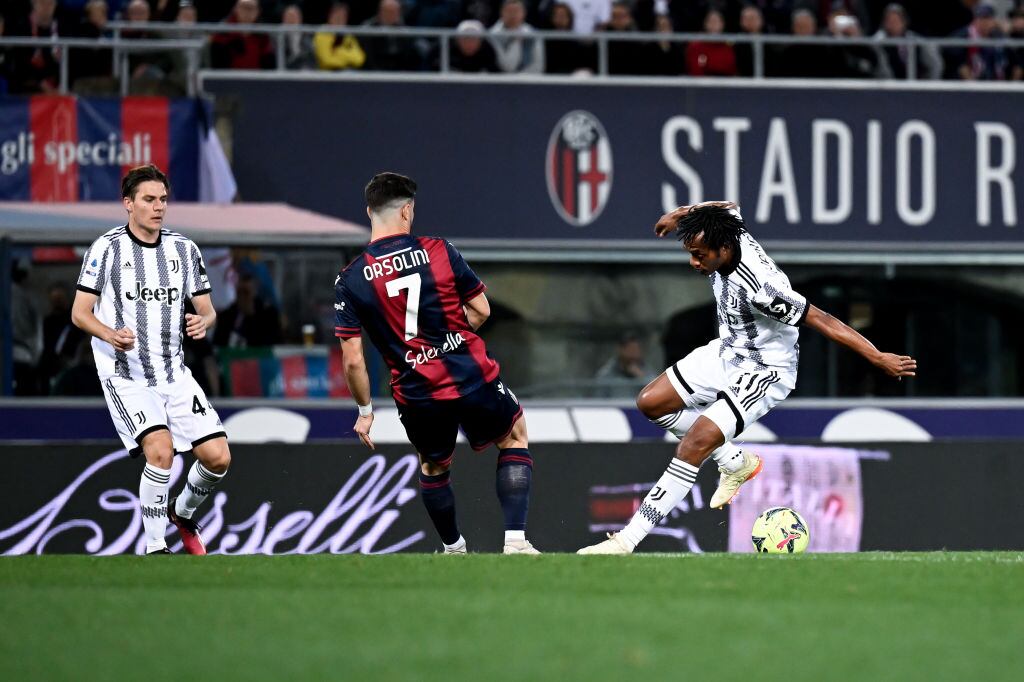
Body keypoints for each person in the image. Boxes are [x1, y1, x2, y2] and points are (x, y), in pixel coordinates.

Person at [579, 202, 917, 554]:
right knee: (650, 402)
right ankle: (733, 461)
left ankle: (625, 541)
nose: (695, 263)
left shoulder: (763, 290)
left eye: (699, 255)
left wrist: (877, 356)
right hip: (727, 350)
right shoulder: (727, 228)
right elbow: (726, 206)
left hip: (764, 369)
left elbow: (823, 320)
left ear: (723, 249)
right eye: (691, 254)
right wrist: (679, 215)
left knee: (694, 443)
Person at [336, 173, 539, 555]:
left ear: (369, 211)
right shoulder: (439, 250)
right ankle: (515, 542)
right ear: (408, 209)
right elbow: (481, 310)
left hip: (417, 393)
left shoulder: (350, 279)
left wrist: (365, 410)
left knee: (433, 466)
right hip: (471, 374)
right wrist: (449, 340)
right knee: (513, 437)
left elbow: (352, 360)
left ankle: (453, 548)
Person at [71, 164, 232, 555]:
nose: (158, 207)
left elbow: (208, 310)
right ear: (128, 203)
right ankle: (156, 546)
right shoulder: (106, 249)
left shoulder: (184, 249)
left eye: (162, 199)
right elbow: (79, 312)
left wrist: (203, 322)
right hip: (127, 376)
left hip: (173, 373)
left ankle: (182, 511)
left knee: (218, 457)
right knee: (159, 451)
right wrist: (110, 334)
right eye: (148, 199)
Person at [873, 3, 943, 80]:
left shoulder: (915, 40)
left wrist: (930, 85)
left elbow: (934, 64)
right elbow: (883, 69)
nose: (893, 24)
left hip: (917, 85)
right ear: (884, 23)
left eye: (896, 20)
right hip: (892, 86)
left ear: (904, 22)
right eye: (890, 21)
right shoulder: (878, 42)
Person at [594, 332, 655, 398]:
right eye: (630, 349)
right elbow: (599, 399)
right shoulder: (607, 373)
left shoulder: (646, 371)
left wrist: (641, 377)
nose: (633, 354)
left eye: (636, 350)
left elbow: (657, 392)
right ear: (620, 350)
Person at [491, 0, 545, 74]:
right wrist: (515, 41)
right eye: (509, 11)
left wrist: (520, 79)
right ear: (501, 13)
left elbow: (538, 65)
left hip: (527, 80)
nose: (513, 15)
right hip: (498, 80)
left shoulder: (532, 34)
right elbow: (507, 67)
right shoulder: (492, 35)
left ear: (524, 13)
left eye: (516, 11)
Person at [314, 2, 366, 71]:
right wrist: (348, 57)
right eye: (337, 15)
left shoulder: (347, 35)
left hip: (347, 74)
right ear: (330, 16)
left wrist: (339, 52)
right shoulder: (322, 34)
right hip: (327, 76)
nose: (340, 19)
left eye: (343, 16)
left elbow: (360, 59)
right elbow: (327, 60)